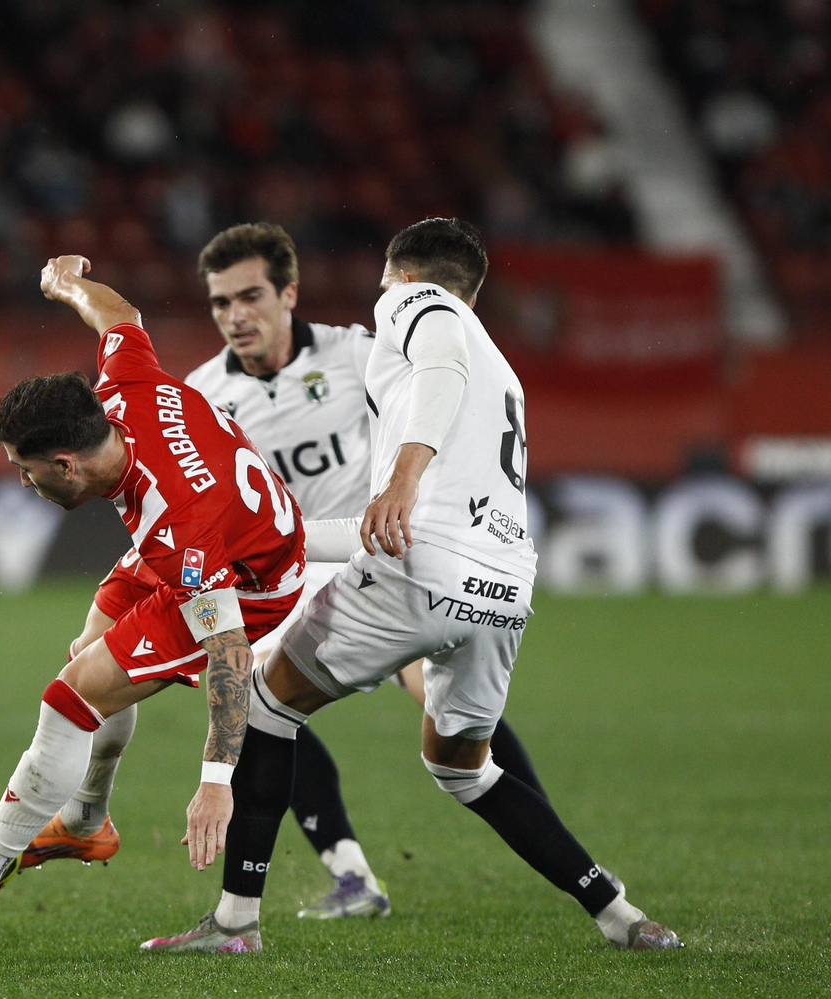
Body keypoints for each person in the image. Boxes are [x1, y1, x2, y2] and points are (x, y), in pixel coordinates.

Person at [141, 218, 681, 952]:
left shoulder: (411, 306)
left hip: (415, 561)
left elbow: (437, 363)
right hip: (504, 584)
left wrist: (402, 476)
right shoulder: (505, 370)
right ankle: (621, 915)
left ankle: (236, 923)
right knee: (462, 768)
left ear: (399, 275)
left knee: (265, 705)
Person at [34, 223, 565, 924]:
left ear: (289, 295)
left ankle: (552, 837)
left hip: (377, 552)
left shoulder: (360, 351)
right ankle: (350, 873)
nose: (235, 316)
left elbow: (447, 391)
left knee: (451, 716)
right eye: (221, 303)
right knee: (258, 700)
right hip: (280, 569)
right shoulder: (203, 390)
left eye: (250, 296)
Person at [0, 254, 306, 927]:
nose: (25, 484)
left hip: (247, 586)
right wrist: (68, 284)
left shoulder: (181, 527)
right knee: (89, 651)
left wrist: (215, 784)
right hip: (204, 545)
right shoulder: (123, 387)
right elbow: (121, 315)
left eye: (27, 472)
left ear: (65, 464)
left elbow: (228, 649)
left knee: (71, 696)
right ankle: (85, 820)